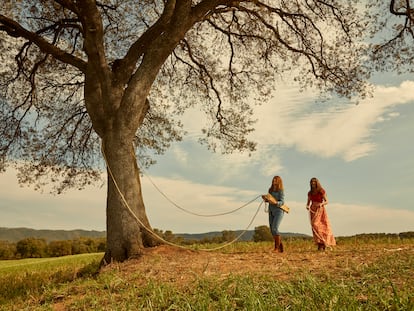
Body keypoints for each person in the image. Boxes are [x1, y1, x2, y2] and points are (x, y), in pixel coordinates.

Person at [306, 177, 336, 251]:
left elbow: (326, 201)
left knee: (318, 225)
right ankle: (319, 244)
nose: (313, 183)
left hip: (320, 209)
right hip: (313, 209)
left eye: (314, 182)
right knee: (314, 226)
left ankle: (323, 243)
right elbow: (308, 202)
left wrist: (321, 204)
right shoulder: (310, 193)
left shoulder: (321, 191)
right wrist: (307, 206)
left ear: (317, 183)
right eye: (311, 182)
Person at [262, 175, 286, 252]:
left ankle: (276, 248)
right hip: (271, 210)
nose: (274, 181)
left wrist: (276, 202)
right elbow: (269, 199)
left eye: (276, 180)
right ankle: (280, 245)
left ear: (279, 181)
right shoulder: (270, 190)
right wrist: (266, 199)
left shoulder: (281, 190)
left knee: (275, 228)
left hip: (279, 211)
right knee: (272, 230)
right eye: (273, 179)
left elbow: (282, 202)